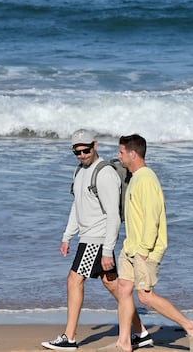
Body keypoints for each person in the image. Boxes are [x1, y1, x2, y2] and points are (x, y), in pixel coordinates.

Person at [41, 136, 151, 351]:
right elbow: (77, 205)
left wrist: (108, 250)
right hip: (87, 236)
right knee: (112, 284)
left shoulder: (106, 173)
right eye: (77, 152)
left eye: (85, 150)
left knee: (74, 280)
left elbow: (112, 215)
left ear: (95, 146)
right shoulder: (79, 171)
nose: (82, 155)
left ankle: (69, 338)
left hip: (98, 238)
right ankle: (142, 332)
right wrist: (67, 236)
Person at [109, 134, 193, 352]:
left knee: (146, 296)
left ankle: (192, 327)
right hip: (131, 247)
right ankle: (124, 343)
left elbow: (152, 219)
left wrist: (143, 251)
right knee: (124, 289)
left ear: (133, 154)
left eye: (121, 152)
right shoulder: (135, 178)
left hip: (145, 250)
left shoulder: (147, 179)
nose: (118, 156)